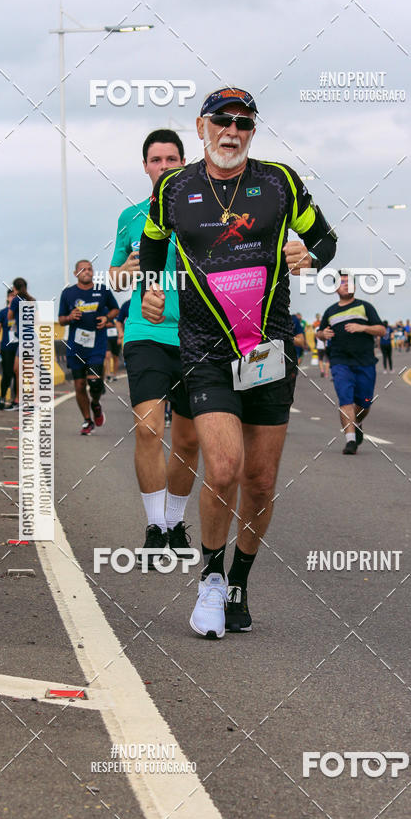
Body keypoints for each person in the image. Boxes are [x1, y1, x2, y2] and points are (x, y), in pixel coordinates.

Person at [140, 86, 337, 638]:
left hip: (267, 346)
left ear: (252, 130)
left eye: (243, 123)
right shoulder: (174, 190)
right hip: (203, 346)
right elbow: (155, 242)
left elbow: (326, 239)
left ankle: (240, 581)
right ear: (201, 127)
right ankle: (209, 578)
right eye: (221, 122)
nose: (232, 131)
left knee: (259, 479)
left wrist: (310, 253)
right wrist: (153, 288)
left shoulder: (279, 182)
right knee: (222, 467)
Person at [109, 129, 199, 564]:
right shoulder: (131, 216)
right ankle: (154, 526)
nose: (164, 166)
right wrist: (125, 270)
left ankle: (176, 521)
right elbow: (116, 276)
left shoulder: (206, 213)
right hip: (147, 332)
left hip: (199, 337)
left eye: (171, 159)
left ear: (184, 163)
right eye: (156, 160)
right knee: (148, 428)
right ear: (145, 166)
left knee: (188, 440)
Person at [317, 272, 385, 455]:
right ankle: (350, 441)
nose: (346, 285)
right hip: (340, 361)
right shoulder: (330, 311)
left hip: (365, 362)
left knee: (365, 402)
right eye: (342, 282)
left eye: (349, 282)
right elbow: (320, 332)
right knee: (345, 399)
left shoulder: (365, 307)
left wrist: (363, 327)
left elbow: (381, 330)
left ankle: (357, 423)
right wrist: (323, 334)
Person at [58, 260, 119, 435]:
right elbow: (61, 320)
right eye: (83, 269)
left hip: (96, 345)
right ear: (75, 273)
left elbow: (115, 309)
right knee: (79, 385)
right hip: (76, 347)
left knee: (94, 383)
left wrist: (106, 318)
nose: (87, 272)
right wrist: (70, 317)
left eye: (90, 269)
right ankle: (87, 420)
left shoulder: (102, 290)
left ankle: (95, 404)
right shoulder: (68, 294)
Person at [8, 277, 35, 410]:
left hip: (25, 339)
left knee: (23, 371)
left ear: (15, 288)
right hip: (31, 337)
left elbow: (9, 317)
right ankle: (21, 400)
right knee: (20, 370)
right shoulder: (32, 301)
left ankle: (27, 402)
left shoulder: (16, 300)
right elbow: (37, 319)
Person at [0, 289, 18, 409]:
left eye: (15, 296)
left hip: (19, 347)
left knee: (17, 373)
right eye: (11, 296)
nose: (13, 298)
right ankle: (2, 397)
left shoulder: (20, 312)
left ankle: (16, 400)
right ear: (8, 298)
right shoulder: (2, 313)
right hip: (7, 347)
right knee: (7, 373)